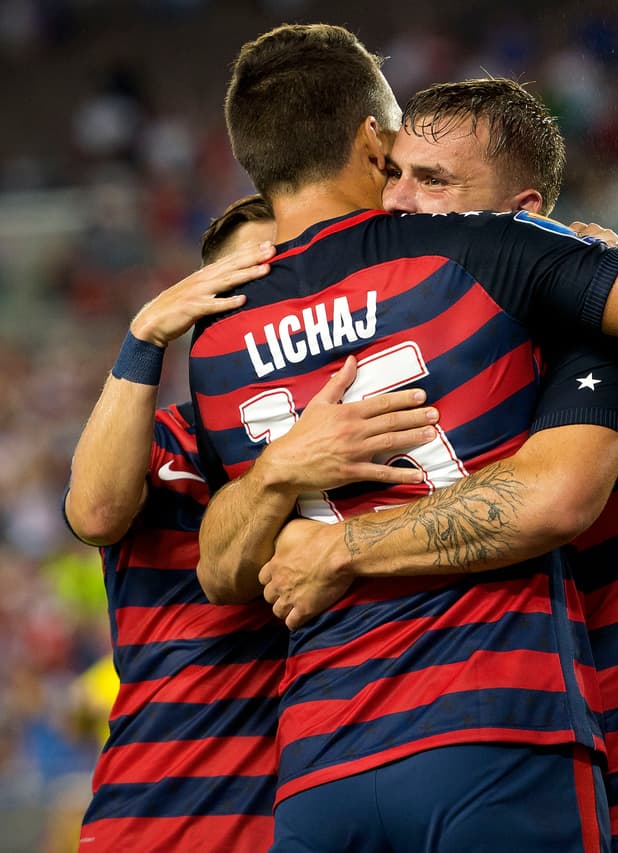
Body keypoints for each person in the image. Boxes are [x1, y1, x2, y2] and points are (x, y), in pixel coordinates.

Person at [190, 24, 618, 853]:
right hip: (493, 742)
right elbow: (217, 566)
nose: (401, 203)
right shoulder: (435, 322)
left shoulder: (603, 330)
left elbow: (563, 485)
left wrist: (341, 549)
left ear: (525, 219)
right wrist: (279, 471)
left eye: (433, 181)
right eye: (397, 175)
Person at [64, 195, 437, 851]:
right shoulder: (166, 442)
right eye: (253, 284)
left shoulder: (386, 435)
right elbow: (94, 512)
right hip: (161, 817)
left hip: (319, 815)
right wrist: (147, 333)